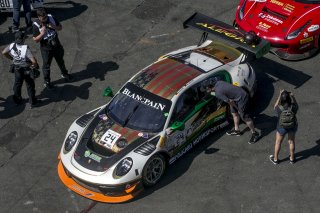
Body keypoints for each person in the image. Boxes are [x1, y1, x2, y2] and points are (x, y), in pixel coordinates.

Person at [206, 80, 260, 144]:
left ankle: (255, 133)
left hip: (241, 98)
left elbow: (230, 101)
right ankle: (237, 130)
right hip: (236, 96)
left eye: (205, 90)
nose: (205, 91)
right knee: (234, 113)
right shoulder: (218, 82)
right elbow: (226, 95)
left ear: (208, 88)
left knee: (245, 117)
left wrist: (238, 109)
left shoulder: (218, 93)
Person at [32, 7, 73, 90]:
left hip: (56, 43)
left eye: (46, 17)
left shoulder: (51, 17)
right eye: (43, 18)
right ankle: (47, 81)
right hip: (46, 48)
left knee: (60, 60)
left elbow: (60, 27)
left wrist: (53, 26)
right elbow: (35, 39)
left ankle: (64, 73)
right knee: (46, 66)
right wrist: (42, 34)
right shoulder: (36, 25)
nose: (46, 19)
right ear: (39, 17)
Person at [2, 31, 41, 108]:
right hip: (26, 69)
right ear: (23, 39)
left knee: (17, 84)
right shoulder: (25, 48)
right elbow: (33, 61)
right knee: (30, 85)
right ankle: (33, 102)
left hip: (17, 69)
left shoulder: (12, 45)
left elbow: (4, 52)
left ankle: (17, 100)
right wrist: (35, 65)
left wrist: (12, 58)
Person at [269, 90, 298, 165]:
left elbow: (275, 106)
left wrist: (279, 95)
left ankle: (275, 159)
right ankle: (292, 158)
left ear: (281, 99)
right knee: (291, 142)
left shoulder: (279, 108)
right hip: (292, 126)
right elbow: (296, 105)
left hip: (281, 127)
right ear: (289, 99)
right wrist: (293, 97)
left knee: (278, 142)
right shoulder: (293, 107)